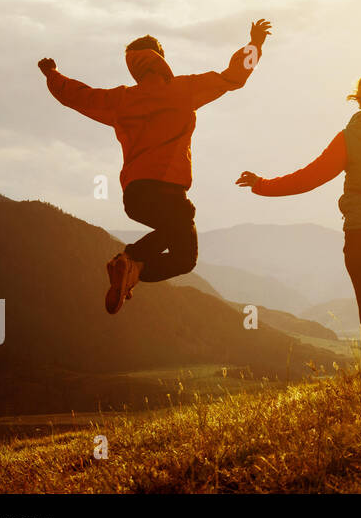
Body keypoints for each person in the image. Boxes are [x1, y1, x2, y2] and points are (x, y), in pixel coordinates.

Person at [38, 20, 271, 314]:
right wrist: (255, 44)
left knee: (178, 241)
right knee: (185, 254)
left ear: (133, 67)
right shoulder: (184, 90)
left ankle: (131, 269)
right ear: (161, 58)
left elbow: (78, 96)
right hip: (168, 192)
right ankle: (131, 259)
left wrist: (52, 75)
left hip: (135, 198)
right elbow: (233, 78)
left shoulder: (121, 100)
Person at [236, 72, 361, 394]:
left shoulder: (348, 138)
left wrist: (262, 186)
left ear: (358, 98)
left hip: (360, 236)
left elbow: (308, 177)